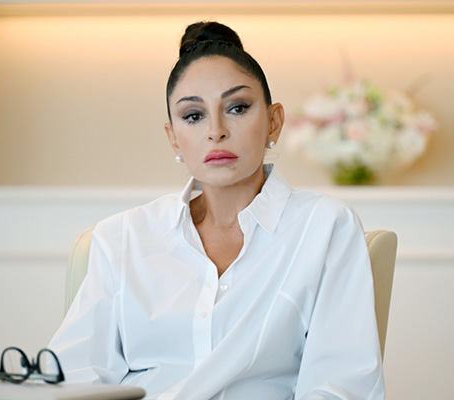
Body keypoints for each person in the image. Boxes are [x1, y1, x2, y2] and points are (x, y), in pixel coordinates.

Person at [49, 21, 385, 400]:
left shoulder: (325, 227)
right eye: (194, 115)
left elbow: (341, 386)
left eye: (237, 108)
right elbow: (72, 378)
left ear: (274, 122)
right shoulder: (122, 237)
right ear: (173, 137)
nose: (216, 131)